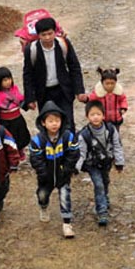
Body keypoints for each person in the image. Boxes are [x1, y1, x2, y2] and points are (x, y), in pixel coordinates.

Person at [22, 16, 84, 132]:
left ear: (55, 32)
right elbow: (28, 74)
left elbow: (74, 67)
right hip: (44, 93)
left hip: (63, 91)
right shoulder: (31, 50)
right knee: (49, 125)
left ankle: (71, 148)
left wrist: (79, 91)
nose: (47, 37)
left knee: (68, 123)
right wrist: (30, 98)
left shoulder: (63, 44)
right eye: (43, 35)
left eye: (50, 34)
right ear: (38, 35)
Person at [29, 101, 80, 238]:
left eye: (57, 120)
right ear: (43, 123)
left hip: (63, 174)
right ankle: (43, 207)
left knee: (65, 197)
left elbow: (74, 152)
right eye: (50, 121)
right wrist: (43, 172)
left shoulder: (68, 136)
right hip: (45, 176)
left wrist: (68, 168)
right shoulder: (38, 140)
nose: (54, 124)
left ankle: (67, 224)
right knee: (43, 195)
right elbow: (35, 158)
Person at [75, 100, 125, 226]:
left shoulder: (111, 129)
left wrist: (119, 162)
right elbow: (81, 152)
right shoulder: (84, 135)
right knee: (99, 184)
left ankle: (104, 198)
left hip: (106, 162)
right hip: (92, 165)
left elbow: (117, 145)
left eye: (98, 114)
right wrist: (75, 168)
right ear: (87, 117)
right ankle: (101, 211)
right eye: (92, 115)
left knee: (105, 181)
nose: (95, 117)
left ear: (103, 115)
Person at [0, 67, 31, 160]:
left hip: (17, 118)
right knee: (8, 138)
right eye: (5, 80)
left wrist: (28, 103)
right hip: (6, 121)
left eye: (9, 79)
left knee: (21, 135)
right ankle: (10, 155)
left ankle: (20, 150)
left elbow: (20, 99)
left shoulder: (14, 89)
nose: (8, 82)